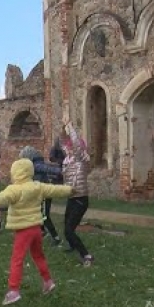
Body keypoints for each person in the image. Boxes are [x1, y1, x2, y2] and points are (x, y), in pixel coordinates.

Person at [0, 158, 72, 305]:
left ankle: (13, 291)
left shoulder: (14, 189)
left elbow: (2, 198)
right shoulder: (37, 186)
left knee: (17, 259)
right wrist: (70, 190)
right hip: (36, 229)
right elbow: (54, 189)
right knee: (38, 256)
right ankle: (48, 281)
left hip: (23, 231)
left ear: (15, 173)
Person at [60, 114, 94, 266]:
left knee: (69, 230)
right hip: (72, 197)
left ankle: (86, 255)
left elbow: (75, 143)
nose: (67, 148)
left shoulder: (80, 158)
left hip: (80, 198)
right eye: (67, 147)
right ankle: (73, 245)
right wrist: (63, 128)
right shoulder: (68, 161)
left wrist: (70, 126)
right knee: (67, 224)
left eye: (70, 147)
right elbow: (62, 142)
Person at [19, 145, 65, 246]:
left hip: (44, 194)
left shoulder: (36, 165)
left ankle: (56, 238)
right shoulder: (32, 165)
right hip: (39, 193)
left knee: (45, 216)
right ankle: (42, 231)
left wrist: (60, 171)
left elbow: (47, 168)